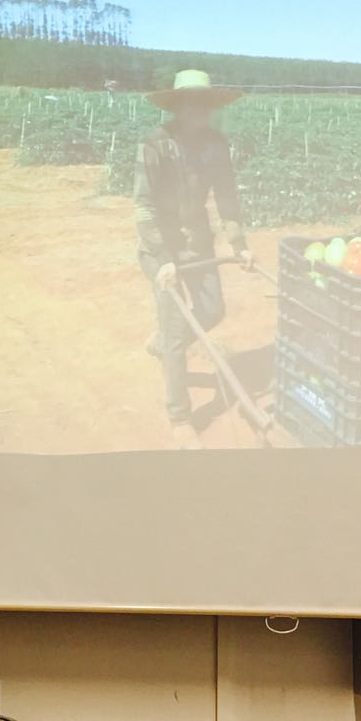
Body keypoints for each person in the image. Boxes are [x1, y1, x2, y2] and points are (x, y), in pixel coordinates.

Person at [134, 69, 252, 449]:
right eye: (191, 103)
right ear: (179, 106)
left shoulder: (216, 144)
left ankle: (166, 344)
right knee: (173, 331)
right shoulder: (155, 144)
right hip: (162, 249)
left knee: (212, 310)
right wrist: (164, 257)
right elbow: (144, 206)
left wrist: (239, 244)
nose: (198, 110)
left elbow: (227, 196)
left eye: (205, 103)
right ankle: (180, 416)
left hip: (199, 244)